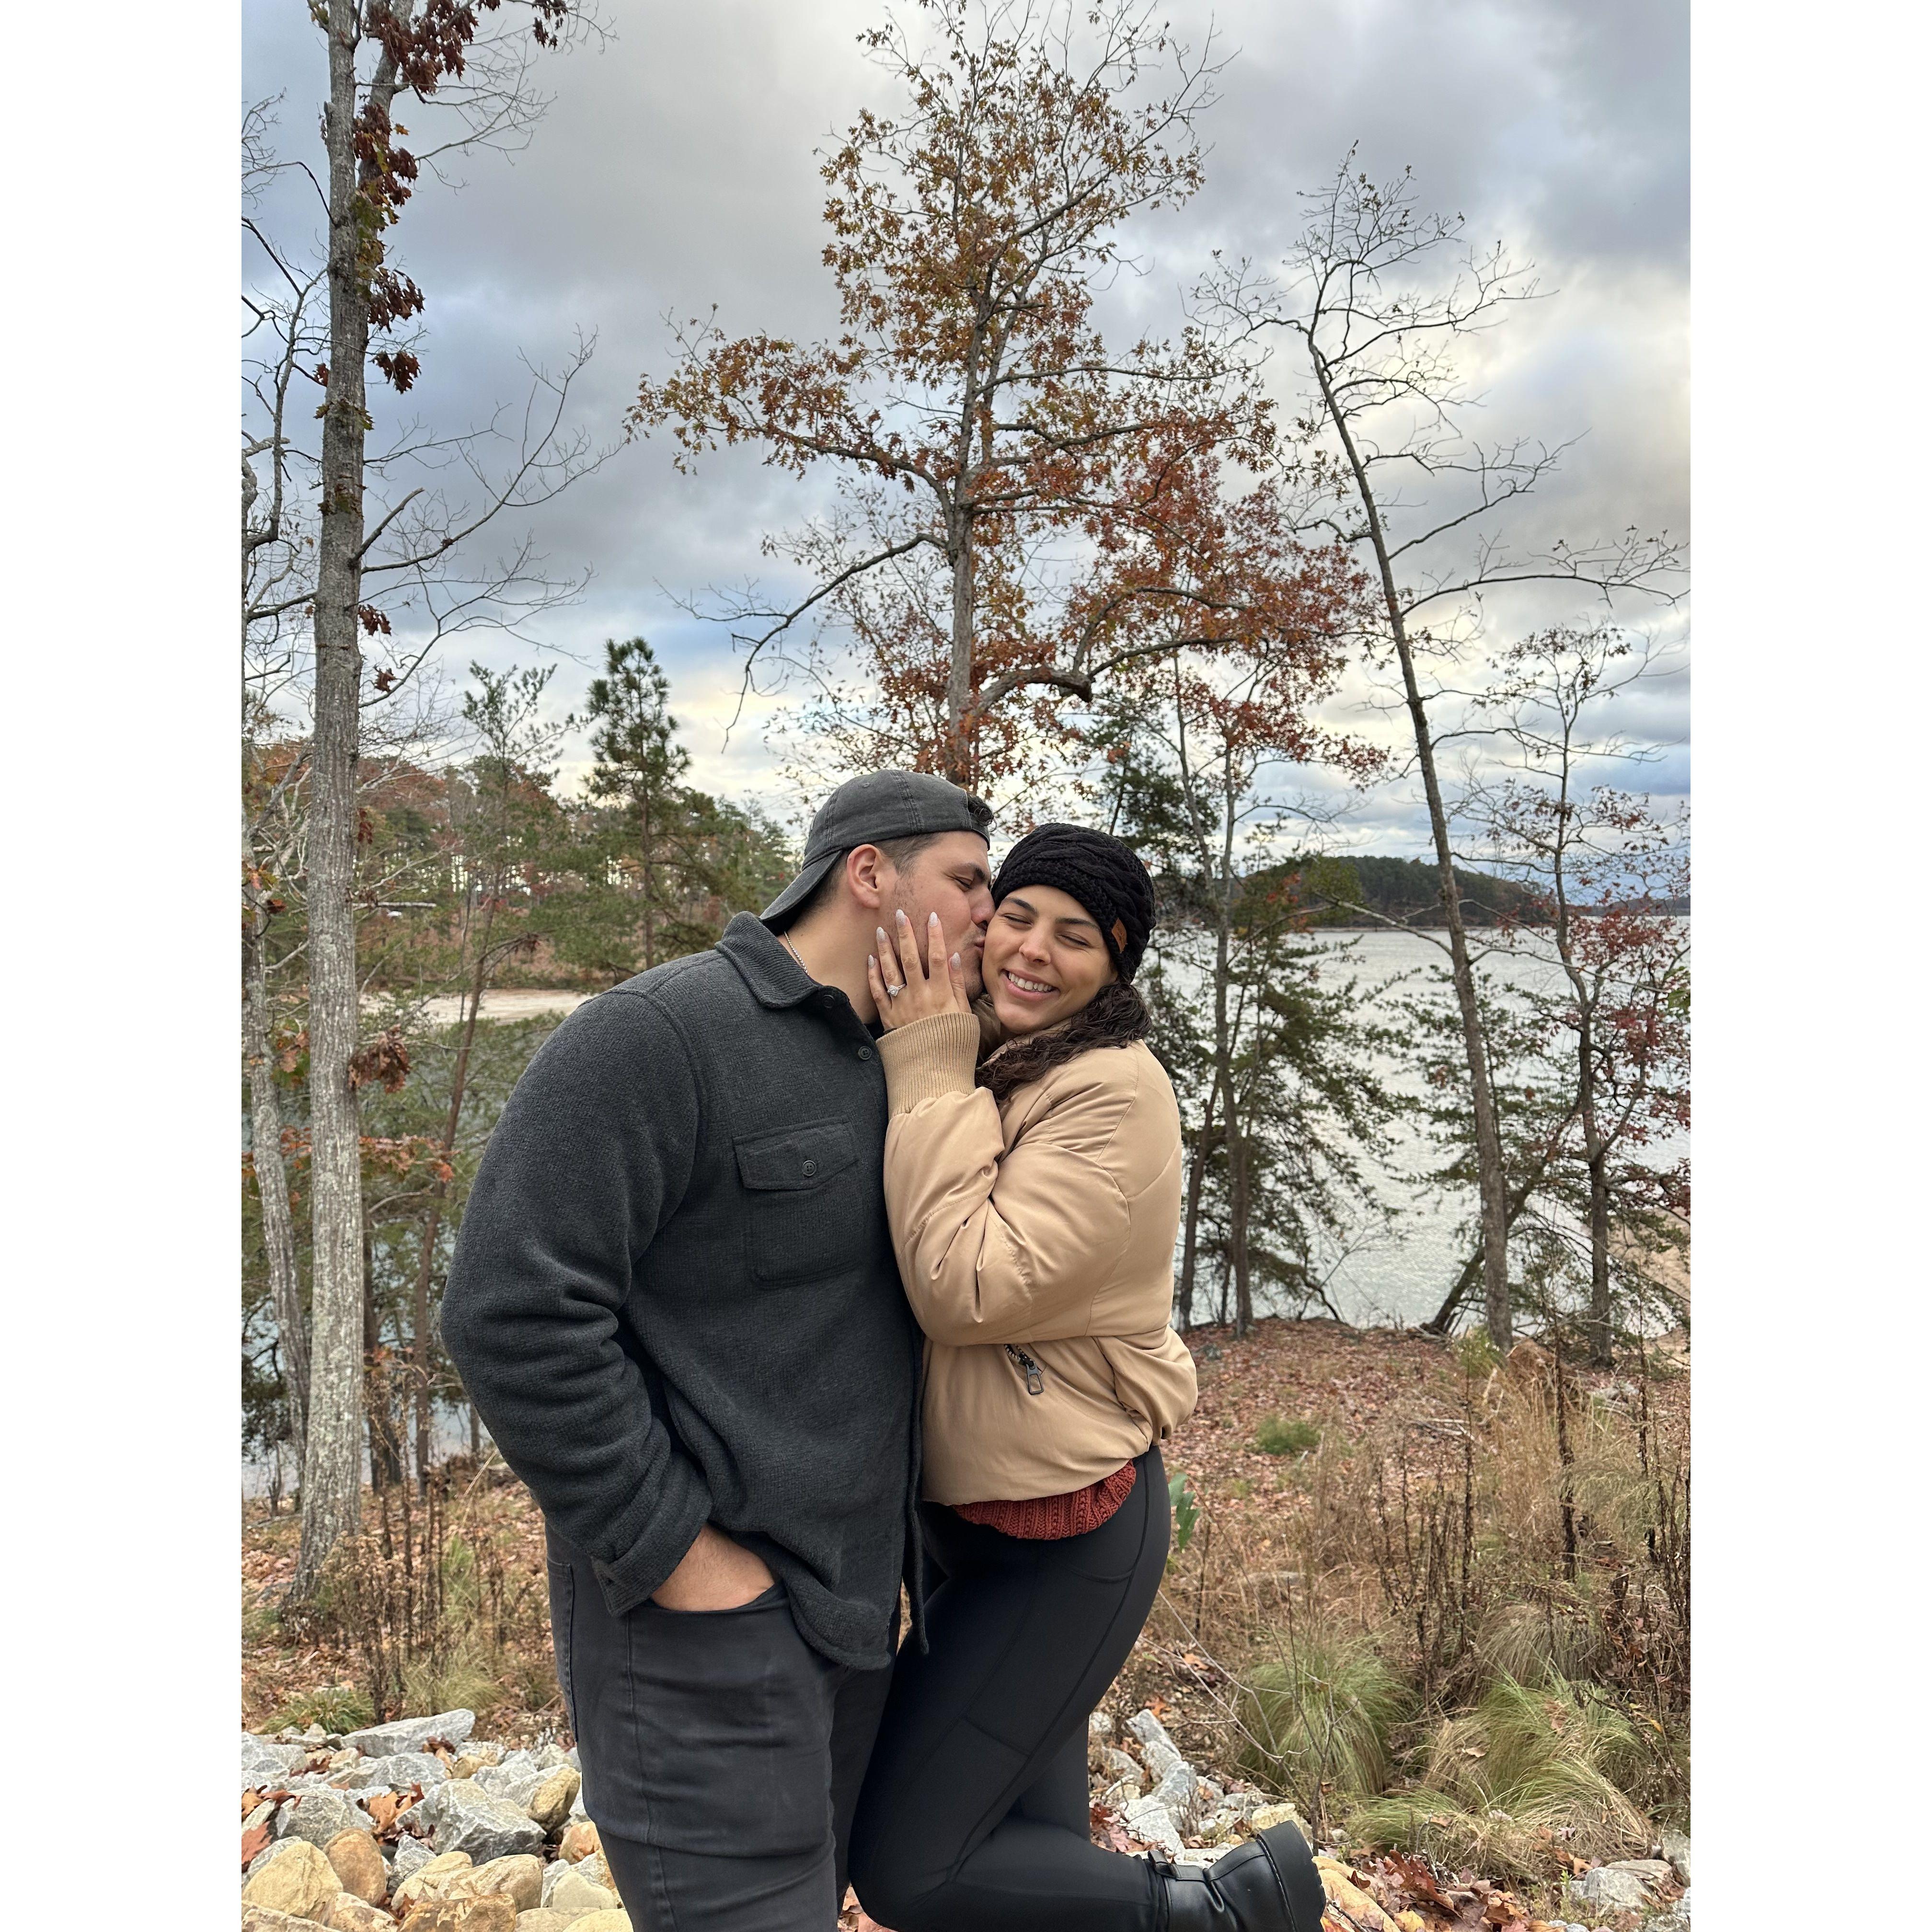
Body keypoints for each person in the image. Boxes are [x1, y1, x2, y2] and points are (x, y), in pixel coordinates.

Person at [440, 770, 996, 1932]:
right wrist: (683, 1557)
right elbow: (510, 1308)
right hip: (699, 1635)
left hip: (855, 1624)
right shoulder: (657, 1036)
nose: (992, 916)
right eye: (969, 883)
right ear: (869, 873)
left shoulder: (907, 1060)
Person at [847, 824, 1326, 1932]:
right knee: (1025, 1859)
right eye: (1016, 916)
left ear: (1115, 966)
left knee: (912, 1867)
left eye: (1073, 936)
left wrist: (928, 1061)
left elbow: (965, 1285)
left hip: (1064, 1539)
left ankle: (1235, 1908)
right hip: (972, 1525)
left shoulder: (1111, 1090)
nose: (1032, 949)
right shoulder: (1004, 1058)